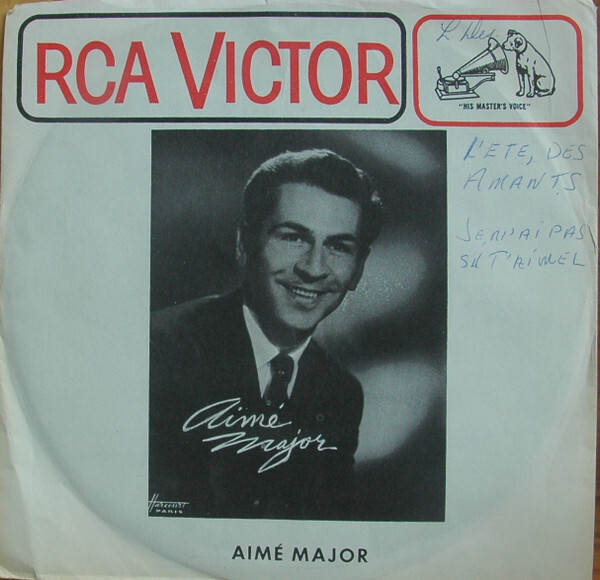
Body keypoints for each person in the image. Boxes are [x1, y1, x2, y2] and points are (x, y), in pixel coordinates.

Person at [149, 149, 383, 520]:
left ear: (358, 270)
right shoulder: (161, 349)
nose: (314, 268)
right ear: (245, 243)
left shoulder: (341, 394)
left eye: (338, 247)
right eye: (293, 238)